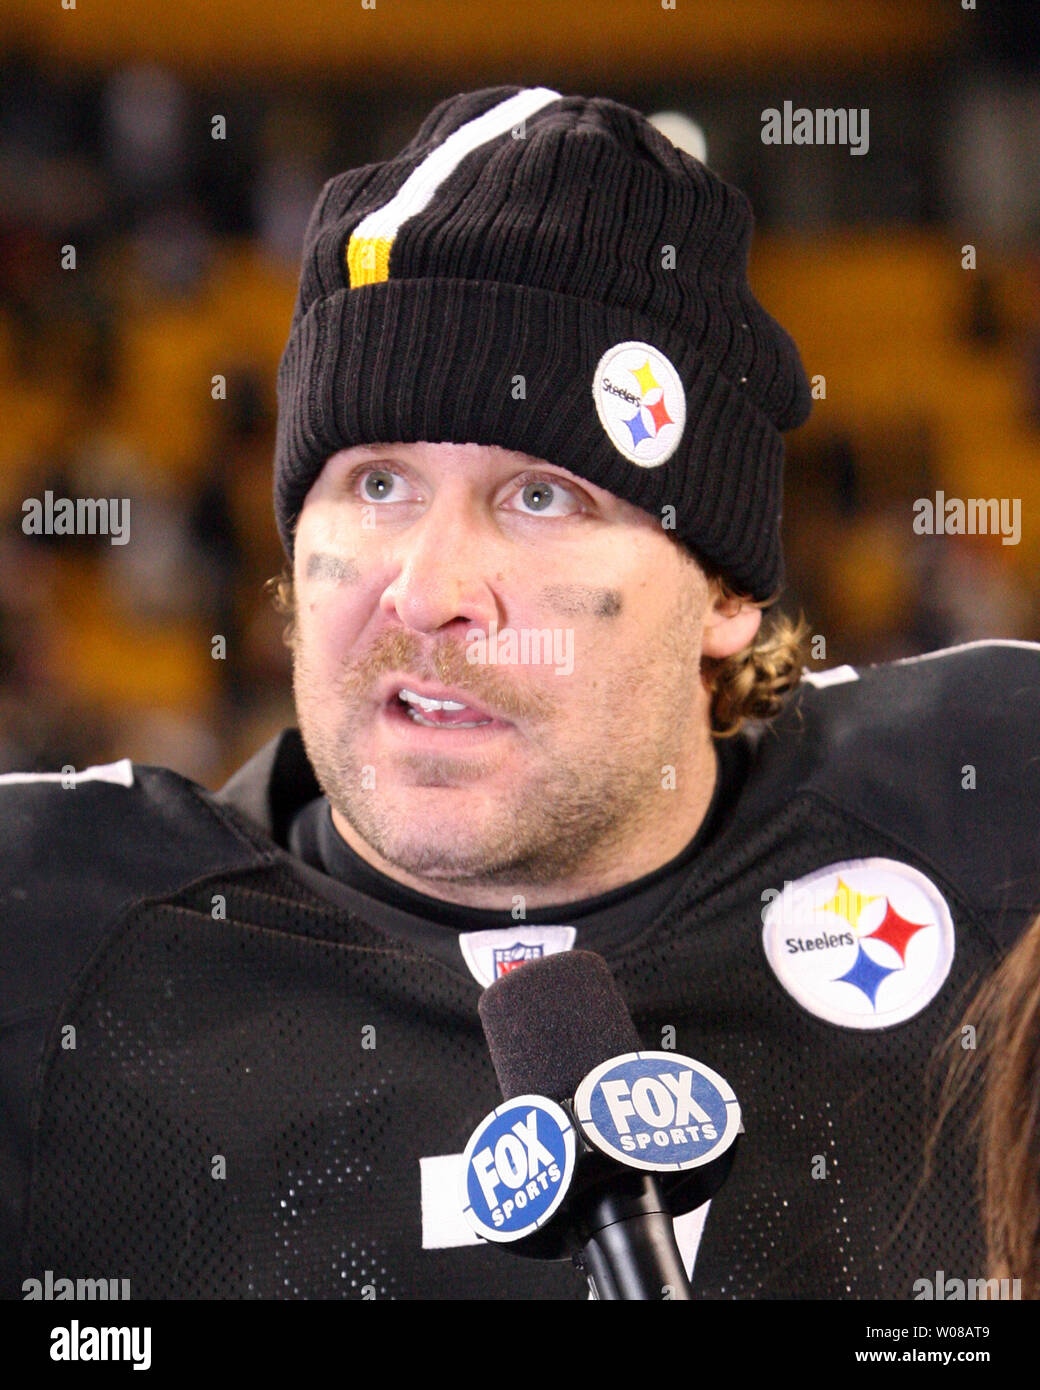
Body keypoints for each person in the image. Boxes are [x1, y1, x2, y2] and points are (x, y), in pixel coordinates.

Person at [3, 84, 1038, 1301]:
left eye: (541, 496)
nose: (428, 589)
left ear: (723, 593)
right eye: (377, 483)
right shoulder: (54, 950)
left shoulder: (987, 825)